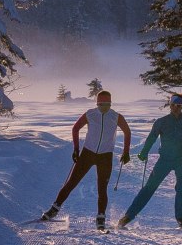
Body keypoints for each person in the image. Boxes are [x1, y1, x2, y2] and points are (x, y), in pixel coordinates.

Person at [36, 90, 130, 230]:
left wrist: (126, 152)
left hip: (105, 156)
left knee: (102, 189)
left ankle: (100, 217)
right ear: (97, 103)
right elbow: (75, 128)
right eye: (101, 104)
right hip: (88, 153)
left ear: (111, 103)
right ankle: (54, 210)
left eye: (107, 104)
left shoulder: (116, 117)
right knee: (71, 183)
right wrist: (76, 149)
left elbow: (127, 132)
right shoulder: (90, 114)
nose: (104, 107)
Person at [118, 93, 182, 229]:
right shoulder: (161, 122)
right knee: (149, 187)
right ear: (170, 105)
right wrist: (143, 153)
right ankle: (128, 216)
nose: (176, 108)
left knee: (181, 188)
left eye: (179, 105)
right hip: (164, 160)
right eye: (173, 105)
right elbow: (151, 138)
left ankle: (181, 219)